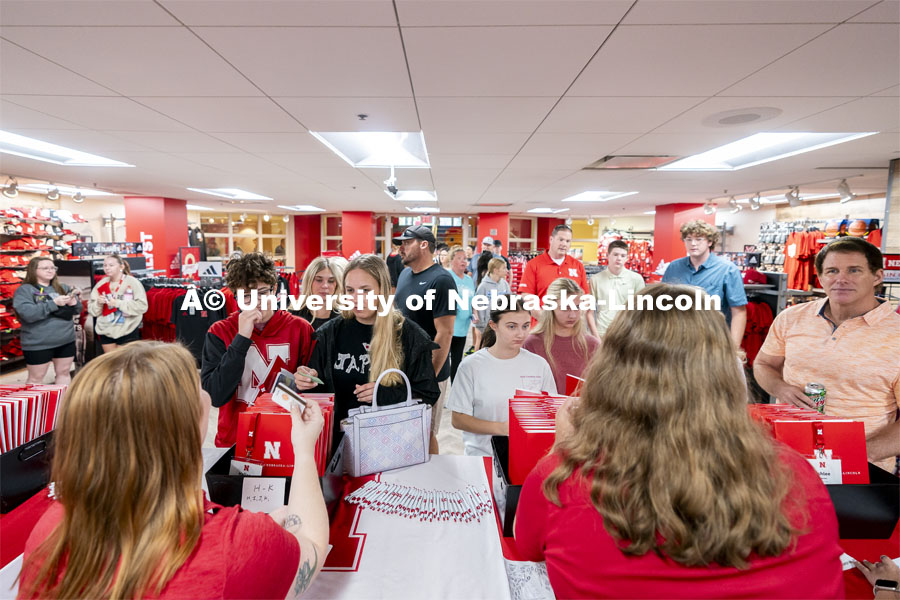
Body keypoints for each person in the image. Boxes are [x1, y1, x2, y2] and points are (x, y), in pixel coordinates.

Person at [514, 284, 844, 599]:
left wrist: (563, 450)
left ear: (609, 369)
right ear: (726, 369)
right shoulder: (795, 475)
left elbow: (527, 546)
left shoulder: (563, 479)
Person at [17, 342, 328, 599]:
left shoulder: (54, 527)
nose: (206, 392)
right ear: (185, 425)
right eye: (196, 385)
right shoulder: (233, 547)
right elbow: (313, 545)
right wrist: (303, 447)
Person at [754, 236, 900, 472]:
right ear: (821, 278)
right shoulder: (791, 318)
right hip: (788, 457)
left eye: (854, 270)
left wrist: (857, 454)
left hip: (862, 468)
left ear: (877, 277)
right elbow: (763, 364)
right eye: (832, 271)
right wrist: (780, 388)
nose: (841, 279)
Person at [306, 254, 440, 450]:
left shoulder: (408, 335)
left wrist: (384, 394)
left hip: (392, 446)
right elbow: (318, 392)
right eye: (350, 290)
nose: (356, 298)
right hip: (338, 446)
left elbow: (428, 393)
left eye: (365, 290)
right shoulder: (329, 334)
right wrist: (306, 381)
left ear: (382, 290)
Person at [202, 252, 317, 447]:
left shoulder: (300, 328)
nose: (256, 302)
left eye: (262, 293)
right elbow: (215, 396)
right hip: (235, 440)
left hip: (286, 436)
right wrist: (241, 339)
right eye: (247, 296)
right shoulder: (219, 331)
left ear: (274, 291)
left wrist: (310, 378)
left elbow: (316, 390)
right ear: (235, 297)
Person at [447, 300, 556, 456]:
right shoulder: (471, 366)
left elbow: (550, 413)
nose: (520, 333)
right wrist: (503, 428)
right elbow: (458, 419)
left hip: (527, 456)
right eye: (512, 326)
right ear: (493, 325)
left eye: (525, 326)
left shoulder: (539, 365)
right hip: (482, 456)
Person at [394, 225, 456, 453]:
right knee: (406, 429)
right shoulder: (404, 275)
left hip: (428, 371)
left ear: (423, 245)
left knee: (425, 433)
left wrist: (429, 376)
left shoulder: (442, 280)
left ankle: (433, 482)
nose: (400, 248)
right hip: (402, 368)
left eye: (405, 242)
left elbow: (445, 333)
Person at [662, 220, 747, 347]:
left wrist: (734, 349)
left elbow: (739, 311)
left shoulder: (727, 270)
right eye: (688, 239)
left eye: (699, 239)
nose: (693, 244)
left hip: (712, 341)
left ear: (710, 242)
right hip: (677, 340)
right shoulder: (674, 267)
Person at [518, 224, 597, 336]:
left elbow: (585, 299)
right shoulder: (533, 265)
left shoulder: (577, 266)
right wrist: (548, 320)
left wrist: (573, 317)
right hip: (541, 330)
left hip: (571, 332)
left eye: (568, 241)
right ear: (551, 239)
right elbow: (527, 298)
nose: (564, 244)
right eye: (561, 239)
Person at [524, 278, 600, 394]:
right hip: (544, 410)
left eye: (577, 307)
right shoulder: (532, 344)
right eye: (565, 308)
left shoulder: (592, 345)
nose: (573, 315)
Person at [13, 257, 81, 385]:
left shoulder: (62, 287)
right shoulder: (25, 290)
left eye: (53, 268)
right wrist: (54, 303)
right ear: (34, 270)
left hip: (65, 340)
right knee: (36, 378)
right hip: (38, 343)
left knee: (64, 373)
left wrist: (74, 303)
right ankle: (35, 405)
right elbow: (28, 314)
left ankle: (62, 404)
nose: (50, 271)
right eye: (45, 268)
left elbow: (78, 310)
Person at [88, 254, 148, 353]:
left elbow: (142, 306)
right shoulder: (101, 284)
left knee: (125, 363)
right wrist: (99, 303)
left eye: (111, 265)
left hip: (127, 330)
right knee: (112, 363)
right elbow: (93, 311)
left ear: (121, 267)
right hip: (106, 330)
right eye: (105, 265)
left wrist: (117, 303)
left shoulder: (132, 282)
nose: (107, 268)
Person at [590, 239, 645, 337]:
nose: (619, 258)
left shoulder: (636, 279)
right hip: (602, 332)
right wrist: (595, 337)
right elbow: (589, 312)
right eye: (615, 254)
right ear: (607, 256)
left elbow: (641, 310)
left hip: (627, 333)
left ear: (627, 258)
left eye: (623, 256)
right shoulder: (595, 279)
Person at [446, 245, 476, 383]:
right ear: (452, 260)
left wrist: (474, 313)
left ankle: (454, 394)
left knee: (457, 361)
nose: (463, 261)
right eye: (459, 258)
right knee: (444, 361)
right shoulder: (446, 277)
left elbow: (472, 300)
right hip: (447, 327)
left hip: (463, 328)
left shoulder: (469, 280)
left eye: (465, 258)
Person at [292, 256, 344, 330]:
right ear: (309, 281)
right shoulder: (294, 315)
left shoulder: (344, 317)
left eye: (331, 281)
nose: (325, 286)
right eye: (319, 280)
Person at [473, 257, 512, 352]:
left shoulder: (504, 284)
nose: (507, 271)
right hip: (485, 323)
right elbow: (477, 304)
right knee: (482, 345)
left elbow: (510, 300)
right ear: (495, 270)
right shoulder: (483, 286)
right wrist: (479, 321)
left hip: (500, 322)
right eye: (504, 268)